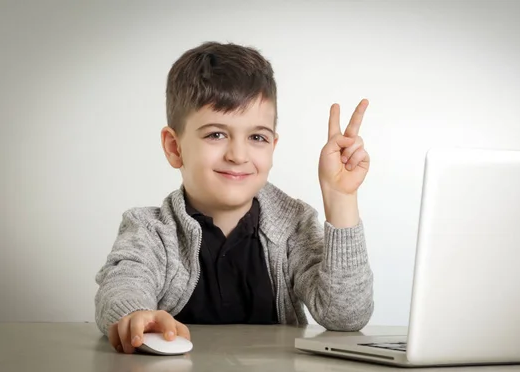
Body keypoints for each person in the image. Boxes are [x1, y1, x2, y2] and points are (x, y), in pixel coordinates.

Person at [94, 41, 374, 354]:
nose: (238, 155)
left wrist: (340, 197)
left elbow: (346, 316)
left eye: (257, 137)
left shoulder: (294, 227)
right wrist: (136, 315)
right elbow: (123, 284)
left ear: (272, 146)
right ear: (175, 147)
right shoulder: (149, 231)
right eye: (216, 134)